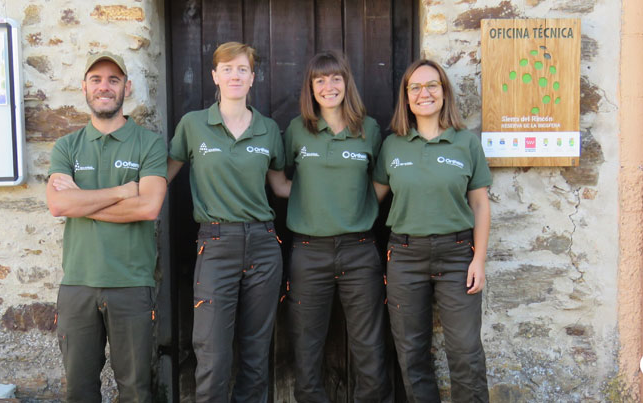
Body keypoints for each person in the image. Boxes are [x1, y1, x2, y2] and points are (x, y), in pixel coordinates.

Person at [166, 42, 287, 402]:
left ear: (253, 77)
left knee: (255, 349)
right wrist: (118, 192)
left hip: (264, 246)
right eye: (228, 68)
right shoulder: (193, 125)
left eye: (243, 69)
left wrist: (336, 184)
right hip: (216, 244)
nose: (236, 75)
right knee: (213, 350)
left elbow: (281, 186)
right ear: (214, 75)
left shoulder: (268, 129)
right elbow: (162, 177)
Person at [46, 51, 168, 402]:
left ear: (127, 88)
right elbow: (58, 204)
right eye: (97, 80)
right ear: (84, 87)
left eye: (113, 80)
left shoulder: (148, 144)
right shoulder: (67, 146)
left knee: (136, 391)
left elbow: (148, 207)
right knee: (80, 391)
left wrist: (82, 201)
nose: (105, 87)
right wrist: (120, 192)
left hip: (131, 284)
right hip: (78, 285)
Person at [373, 59, 491, 402]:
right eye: (415, 87)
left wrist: (478, 259)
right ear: (406, 98)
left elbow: (480, 204)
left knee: (465, 350)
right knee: (411, 352)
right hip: (405, 257)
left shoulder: (465, 143)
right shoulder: (392, 145)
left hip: (457, 256)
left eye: (432, 86)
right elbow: (370, 197)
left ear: (444, 92)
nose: (424, 93)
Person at [283, 51, 391, 403]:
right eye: (319, 80)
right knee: (306, 343)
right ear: (310, 88)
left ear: (347, 82)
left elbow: (380, 183)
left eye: (335, 78)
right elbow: (281, 179)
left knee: (369, 344)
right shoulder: (298, 129)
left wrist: (356, 209)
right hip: (308, 251)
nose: (328, 86)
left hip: (359, 250)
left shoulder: (369, 129)